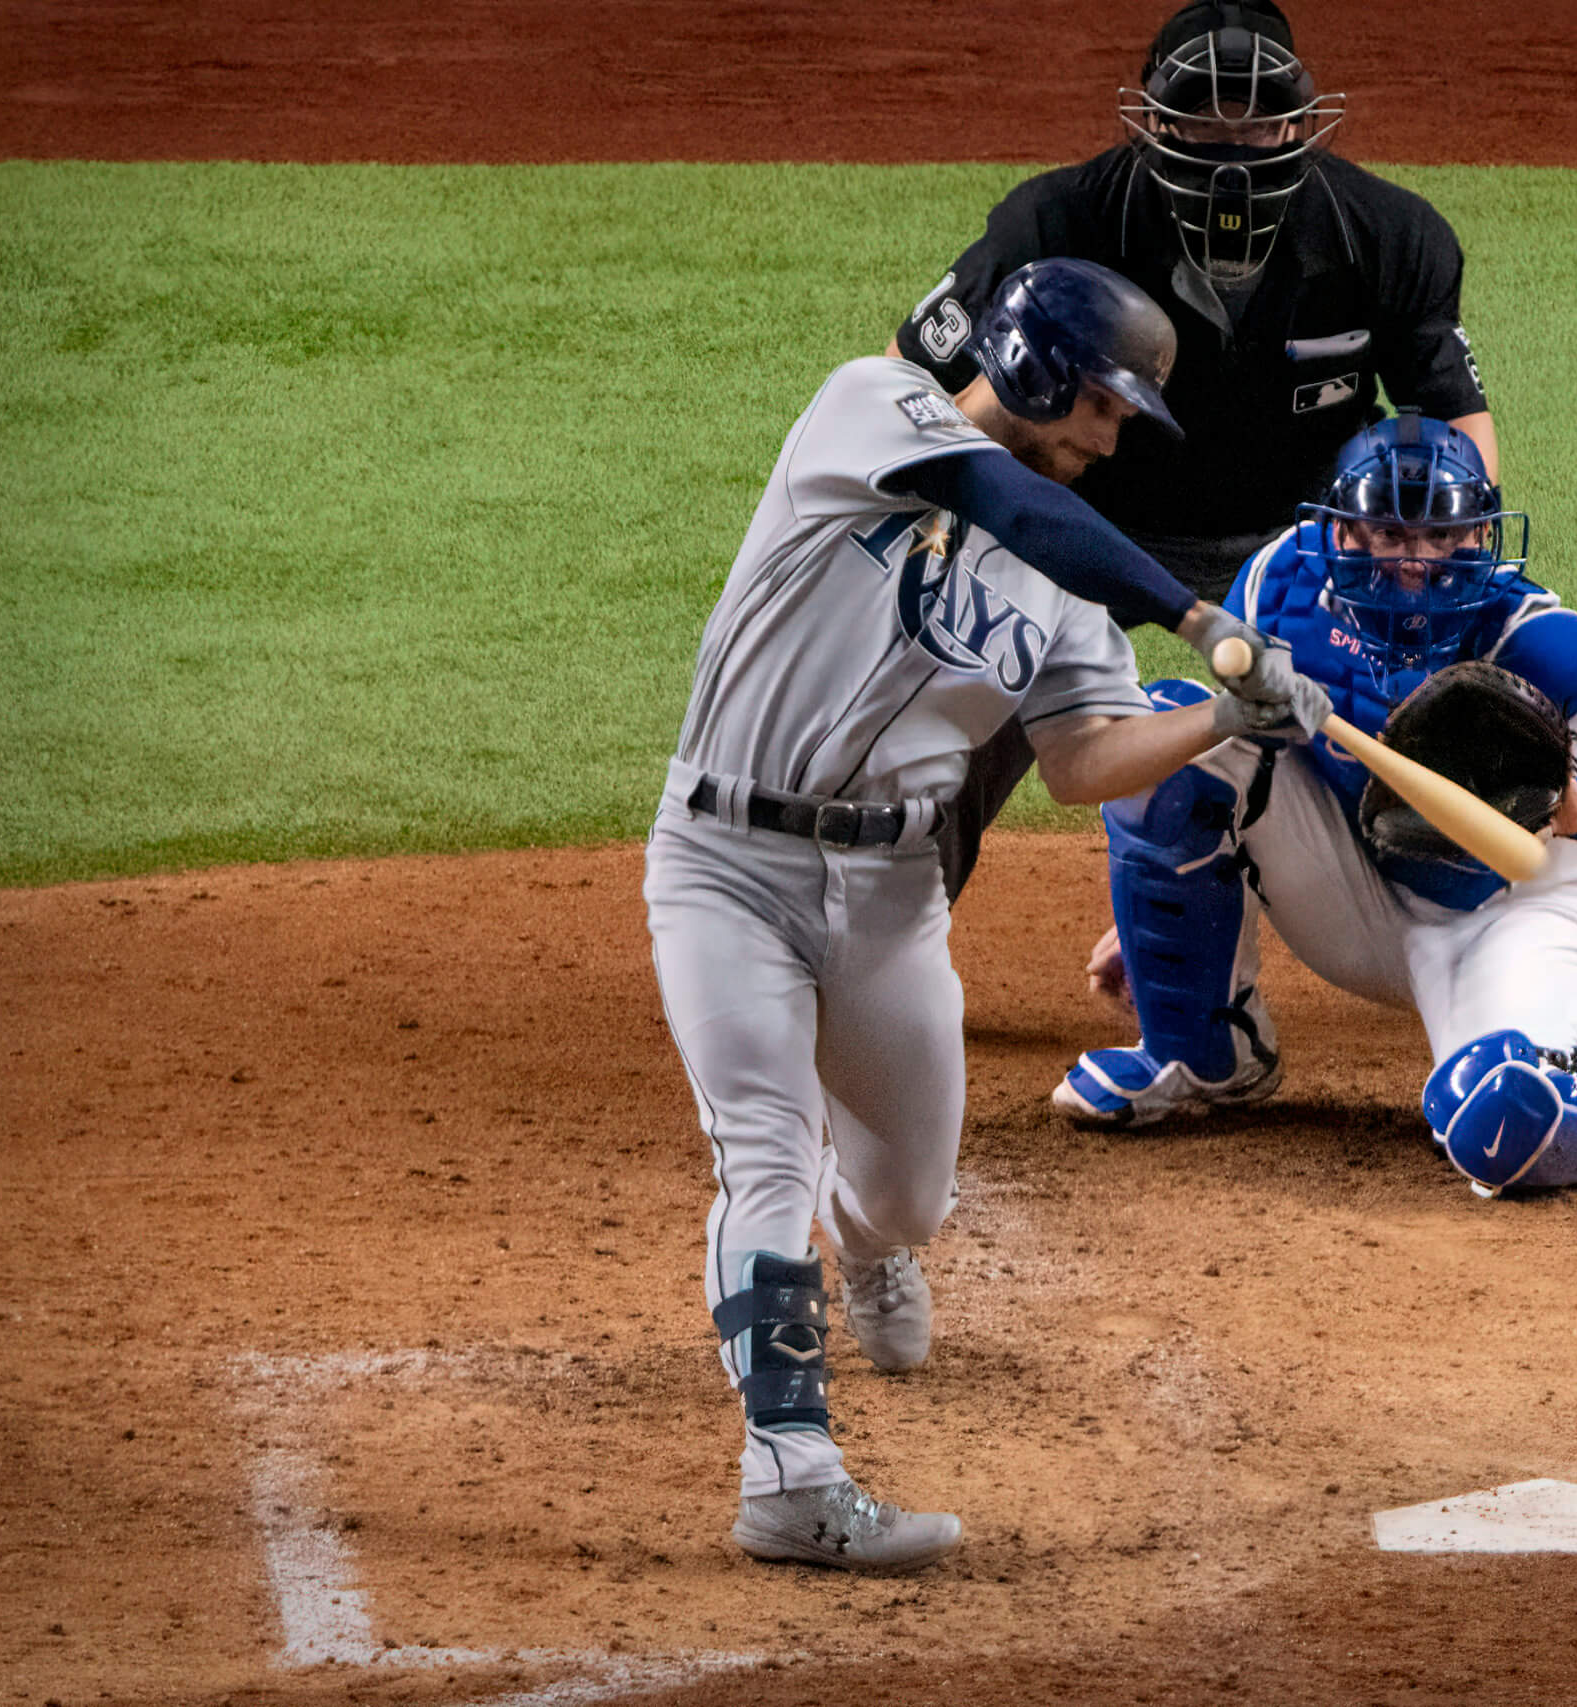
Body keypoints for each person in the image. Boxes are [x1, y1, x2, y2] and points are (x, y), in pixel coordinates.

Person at [644, 257, 1324, 1571]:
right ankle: (789, 1473)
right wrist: (1194, 613)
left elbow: (1081, 764)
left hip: (891, 898)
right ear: (1032, 367)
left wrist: (1219, 714)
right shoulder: (869, 408)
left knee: (909, 1190)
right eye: (1105, 408)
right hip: (725, 859)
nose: (1110, 440)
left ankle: (872, 1240)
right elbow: (991, 486)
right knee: (765, 1151)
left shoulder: (1065, 589)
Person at [891, 0, 1577, 1011]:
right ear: (1152, 122)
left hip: (1303, 544)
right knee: (969, 683)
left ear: (1300, 125)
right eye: (1201, 122)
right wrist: (948, 539)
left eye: (1258, 122)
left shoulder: (1385, 237)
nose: (1232, 144)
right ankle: (894, 943)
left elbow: (1457, 420)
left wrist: (1449, 578)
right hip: (1088, 523)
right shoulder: (1059, 223)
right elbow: (908, 380)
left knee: (1468, 695)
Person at [1049, 413, 1577, 1196]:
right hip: (1356, 879)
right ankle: (1202, 1053)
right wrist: (1167, 894)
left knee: (1514, 1132)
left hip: (1516, 905)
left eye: (1440, 537)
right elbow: (1248, 756)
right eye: (1387, 533)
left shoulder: (1534, 636)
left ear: (1478, 536)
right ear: (1341, 531)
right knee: (1172, 734)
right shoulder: (1280, 586)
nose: (1413, 562)